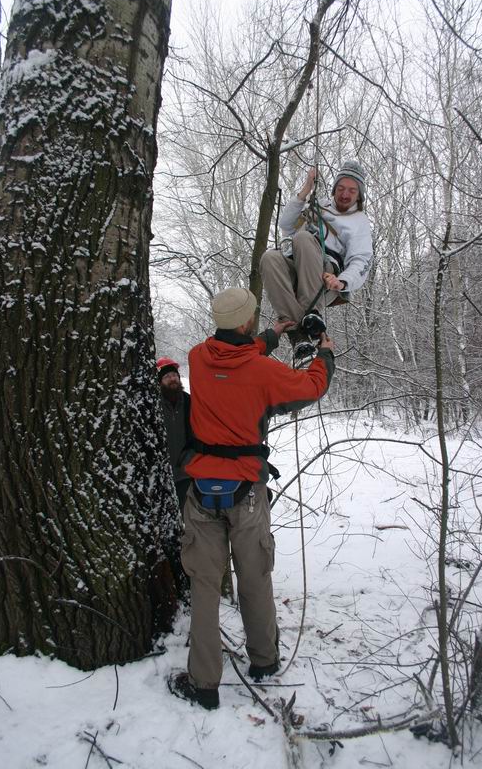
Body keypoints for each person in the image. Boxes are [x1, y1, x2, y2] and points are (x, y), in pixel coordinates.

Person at [167, 287, 334, 710]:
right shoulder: (263, 372)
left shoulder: (197, 357)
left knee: (204, 586)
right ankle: (264, 660)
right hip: (247, 494)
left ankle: (204, 684)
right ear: (244, 322)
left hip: (201, 490)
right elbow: (312, 386)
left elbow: (236, 350)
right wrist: (325, 353)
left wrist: (270, 335)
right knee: (254, 577)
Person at [260, 159, 373, 347]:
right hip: (297, 265)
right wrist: (305, 192)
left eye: (352, 191)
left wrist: (342, 281)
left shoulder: (359, 221)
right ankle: (299, 334)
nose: (345, 194)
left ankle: (313, 313)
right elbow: (286, 225)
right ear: (334, 188)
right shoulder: (319, 205)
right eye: (341, 188)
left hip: (325, 278)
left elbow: (361, 260)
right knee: (269, 258)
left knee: (303, 238)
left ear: (359, 195)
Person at [157, 357, 192, 514]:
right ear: (160, 382)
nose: (172, 379)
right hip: (163, 474)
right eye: (167, 376)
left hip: (187, 472)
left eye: (174, 375)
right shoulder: (153, 405)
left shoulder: (189, 402)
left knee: (188, 516)